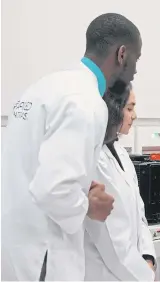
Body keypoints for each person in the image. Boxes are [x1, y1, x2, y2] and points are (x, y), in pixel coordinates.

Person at [1, 13, 142, 281]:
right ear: (122, 54)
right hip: (45, 257)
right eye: (137, 59)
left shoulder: (44, 87)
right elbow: (53, 189)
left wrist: (78, 187)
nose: (135, 70)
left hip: (17, 250)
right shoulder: (86, 102)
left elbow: (31, 168)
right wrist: (89, 206)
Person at [84, 84, 156, 281]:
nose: (134, 116)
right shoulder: (94, 157)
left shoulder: (121, 153)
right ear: (113, 109)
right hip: (104, 272)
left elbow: (140, 214)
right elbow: (110, 235)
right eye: (130, 108)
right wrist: (144, 275)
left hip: (132, 269)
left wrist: (148, 256)